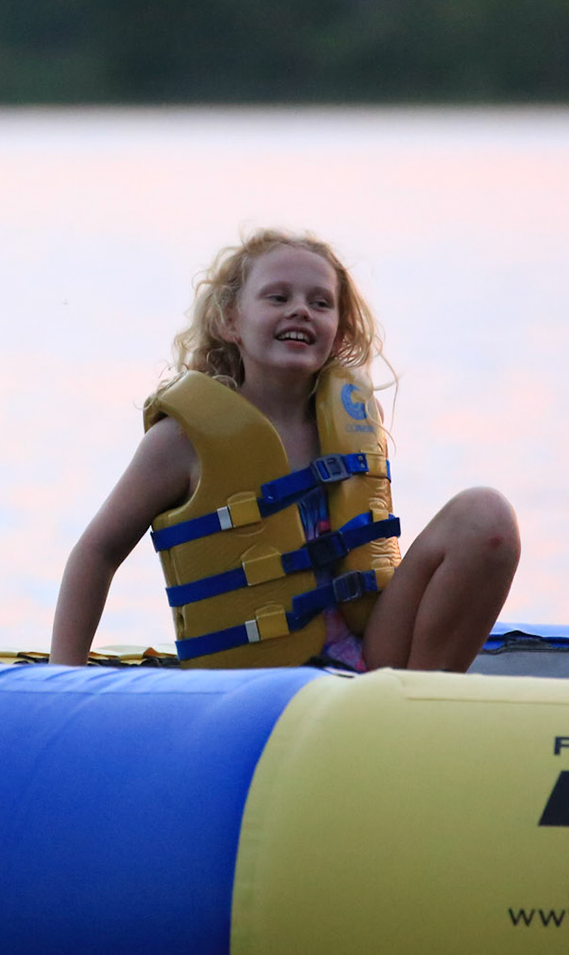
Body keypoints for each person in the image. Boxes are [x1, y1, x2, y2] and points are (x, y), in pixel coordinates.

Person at [50, 229, 520, 670]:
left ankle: (420, 702)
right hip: (257, 685)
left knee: (485, 515)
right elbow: (96, 552)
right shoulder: (181, 440)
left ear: (339, 331)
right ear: (230, 321)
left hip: (373, 660)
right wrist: (61, 682)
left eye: (321, 303)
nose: (301, 311)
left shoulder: (356, 419)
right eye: (278, 297)